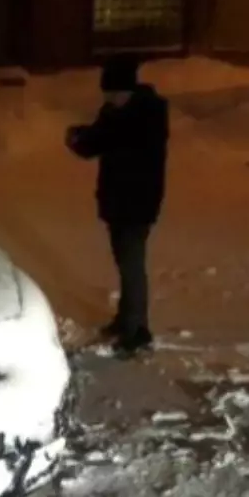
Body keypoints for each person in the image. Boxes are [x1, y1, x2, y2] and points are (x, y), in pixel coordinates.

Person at [65, 55, 169, 358]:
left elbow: (113, 141)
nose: (109, 99)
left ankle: (137, 330)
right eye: (107, 93)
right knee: (125, 264)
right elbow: (97, 142)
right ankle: (126, 319)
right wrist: (80, 138)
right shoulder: (116, 112)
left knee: (132, 266)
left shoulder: (146, 115)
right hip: (117, 199)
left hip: (137, 203)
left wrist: (87, 137)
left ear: (129, 90)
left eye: (114, 93)